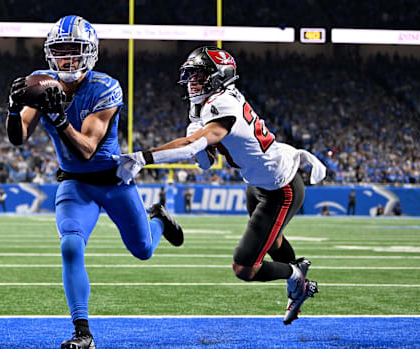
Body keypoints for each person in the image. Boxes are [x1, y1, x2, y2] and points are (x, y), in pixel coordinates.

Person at [5, 15, 183, 349]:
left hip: (113, 181)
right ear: (50, 53)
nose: (68, 58)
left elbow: (87, 148)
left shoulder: (105, 87)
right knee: (70, 246)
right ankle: (83, 332)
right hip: (75, 183)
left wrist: (58, 119)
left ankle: (158, 220)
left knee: (143, 250)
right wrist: (14, 109)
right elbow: (19, 137)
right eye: (61, 50)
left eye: (75, 50)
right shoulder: (41, 82)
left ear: (90, 52)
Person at [113, 46, 326, 325]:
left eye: (198, 76)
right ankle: (297, 278)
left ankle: (296, 276)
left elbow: (193, 148)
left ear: (218, 76)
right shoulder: (211, 102)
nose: (192, 83)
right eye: (189, 76)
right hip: (258, 183)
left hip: (280, 188)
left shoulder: (222, 103)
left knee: (244, 268)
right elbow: (205, 160)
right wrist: (199, 136)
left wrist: (143, 158)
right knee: (271, 240)